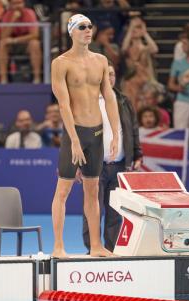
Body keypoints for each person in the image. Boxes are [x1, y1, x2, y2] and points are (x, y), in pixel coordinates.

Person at [51, 14, 120, 258]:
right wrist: (75, 140)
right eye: (83, 27)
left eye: (91, 26)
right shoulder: (61, 63)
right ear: (72, 32)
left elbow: (109, 97)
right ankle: (58, 245)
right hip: (75, 134)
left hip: (97, 132)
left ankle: (96, 246)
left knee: (93, 192)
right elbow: (63, 106)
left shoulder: (101, 61)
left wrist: (116, 133)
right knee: (63, 192)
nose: (88, 30)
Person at [82, 61, 142, 252]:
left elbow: (132, 129)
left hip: (119, 166)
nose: (109, 77)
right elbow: (78, 132)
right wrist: (76, 164)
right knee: (92, 211)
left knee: (115, 212)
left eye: (112, 74)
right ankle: (92, 248)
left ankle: (111, 249)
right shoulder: (87, 100)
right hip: (93, 166)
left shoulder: (123, 100)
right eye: (105, 74)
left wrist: (137, 154)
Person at [0, 0, 42, 84]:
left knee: (35, 44)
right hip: (12, 44)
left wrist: (15, 40)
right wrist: (13, 20)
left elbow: (35, 35)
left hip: (25, 43)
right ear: (10, 5)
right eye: (15, 4)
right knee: (2, 44)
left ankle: (37, 78)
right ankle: (3, 79)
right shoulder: (7, 15)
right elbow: (3, 36)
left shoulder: (30, 13)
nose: (18, 6)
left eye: (20, 3)